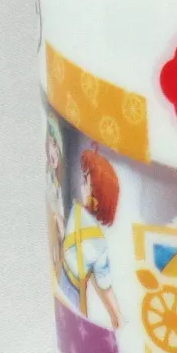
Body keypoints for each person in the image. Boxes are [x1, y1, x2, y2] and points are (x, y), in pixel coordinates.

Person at [60, 148, 121, 328]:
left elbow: (103, 282)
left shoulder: (96, 240)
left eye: (85, 180)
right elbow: (103, 282)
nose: (81, 184)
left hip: (71, 288)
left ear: (96, 194)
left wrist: (116, 316)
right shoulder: (78, 211)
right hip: (66, 280)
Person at [46, 114, 65, 275]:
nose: (53, 152)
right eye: (50, 143)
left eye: (55, 144)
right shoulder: (49, 180)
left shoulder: (59, 184)